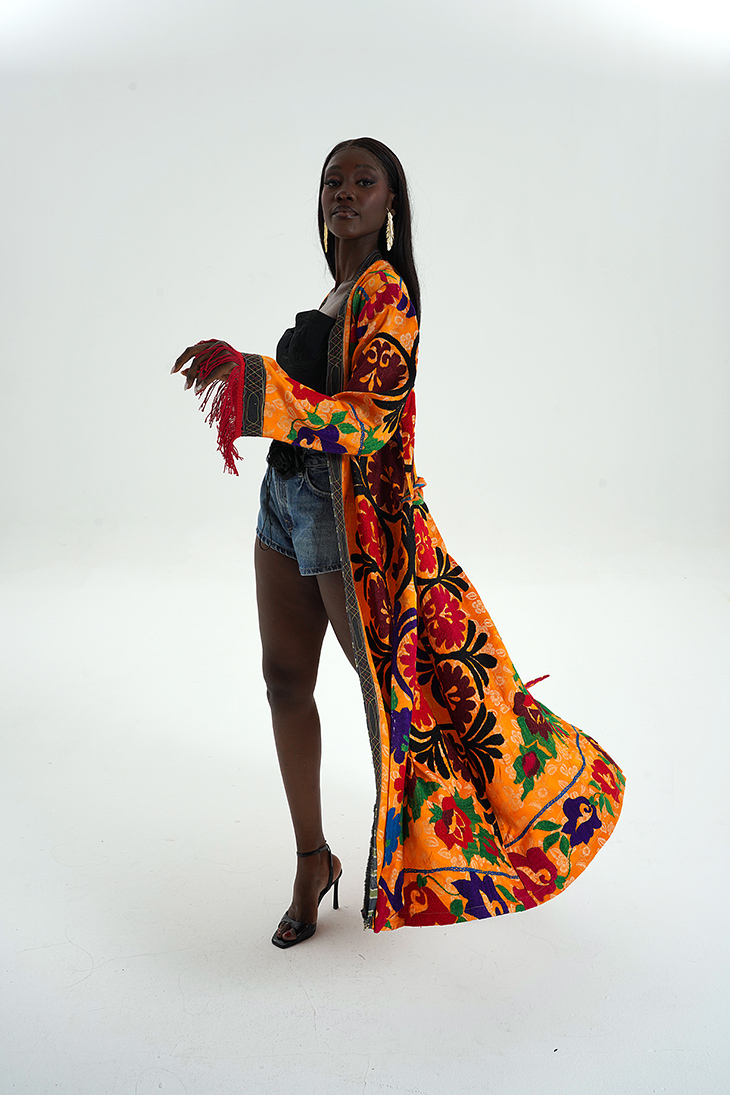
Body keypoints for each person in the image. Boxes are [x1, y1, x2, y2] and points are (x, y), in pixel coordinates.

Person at [172, 137, 625, 947]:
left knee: (396, 695)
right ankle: (312, 859)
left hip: (341, 515)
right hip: (283, 500)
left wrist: (254, 384)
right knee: (283, 681)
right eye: (333, 181)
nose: (345, 191)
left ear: (390, 202)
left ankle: (464, 839)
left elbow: (369, 421)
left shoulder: (389, 295)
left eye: (363, 180)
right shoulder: (340, 288)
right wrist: (255, 383)